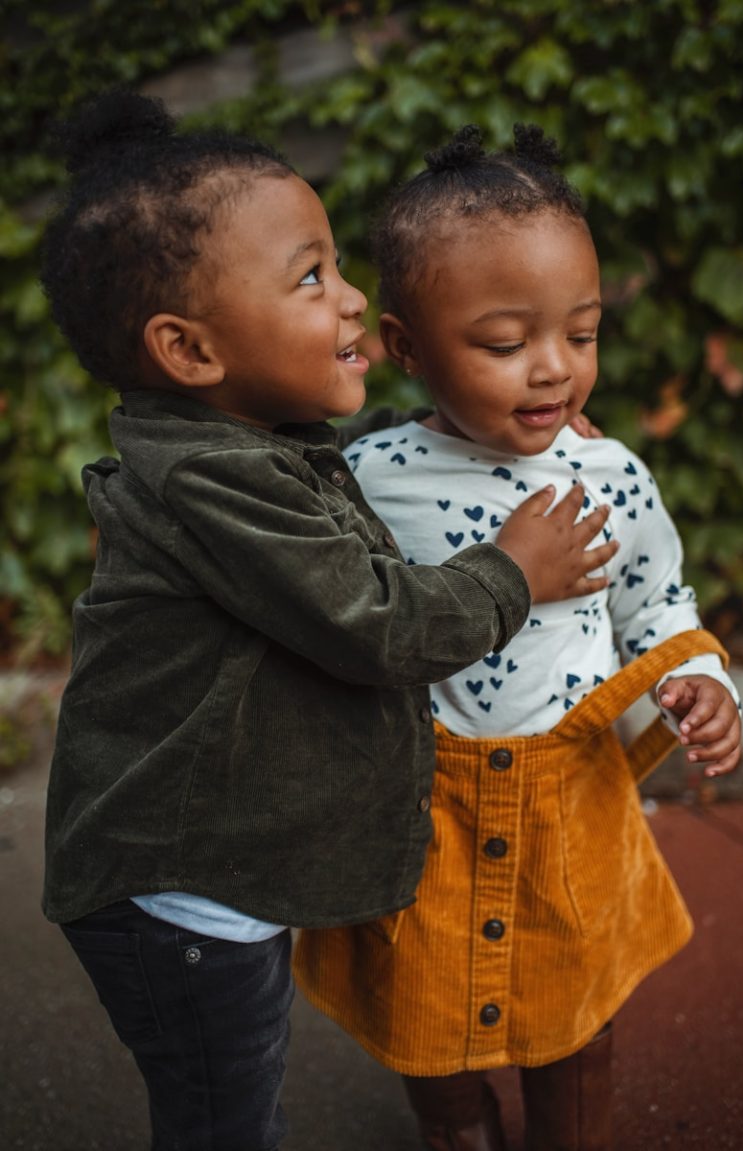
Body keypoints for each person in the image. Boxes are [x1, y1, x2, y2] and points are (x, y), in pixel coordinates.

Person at [38, 92, 619, 1151]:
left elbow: (338, 476)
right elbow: (376, 620)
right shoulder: (214, 485)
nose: (352, 302)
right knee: (225, 1117)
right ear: (190, 350)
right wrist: (512, 571)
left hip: (208, 885)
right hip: (182, 902)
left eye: (338, 266)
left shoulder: (245, 444)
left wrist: (468, 423)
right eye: (312, 277)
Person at [293, 124, 743, 1151]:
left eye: (580, 335)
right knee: (424, 1018)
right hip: (422, 803)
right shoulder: (367, 477)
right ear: (406, 344)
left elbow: (655, 602)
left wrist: (700, 676)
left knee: (576, 1019)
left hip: (572, 802)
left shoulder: (612, 475)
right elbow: (336, 616)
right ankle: (456, 1131)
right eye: (503, 344)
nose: (552, 371)